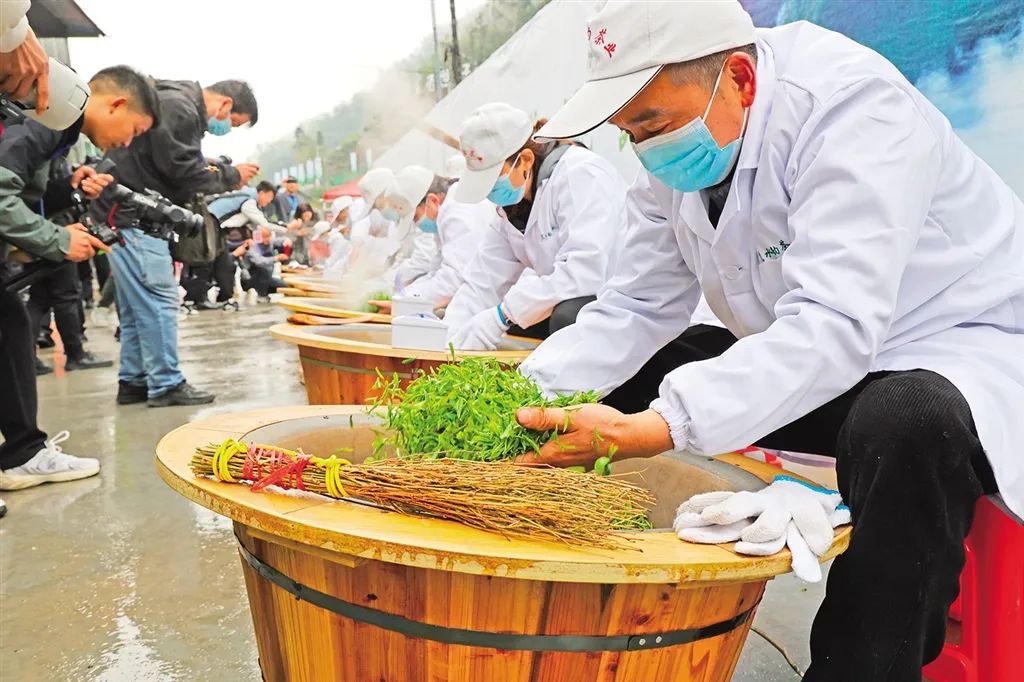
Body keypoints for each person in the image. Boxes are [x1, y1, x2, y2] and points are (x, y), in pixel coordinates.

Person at [512, 3, 1024, 680]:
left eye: (652, 126)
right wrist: (519, 398)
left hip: (951, 354)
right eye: (627, 132)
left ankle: (861, 667)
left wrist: (662, 425)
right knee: (598, 338)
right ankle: (579, 596)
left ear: (741, 79)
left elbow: (836, 324)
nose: (643, 149)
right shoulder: (674, 156)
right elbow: (635, 305)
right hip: (814, 359)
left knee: (907, 421)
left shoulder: (853, 111)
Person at [0, 64, 161, 497]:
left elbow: (21, 188)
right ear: (117, 103)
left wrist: (69, 188)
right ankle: (21, 454)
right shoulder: (53, 113)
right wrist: (57, 240)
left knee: (10, 323)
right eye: (133, 130)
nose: (127, 143)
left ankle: (22, 452)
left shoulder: (63, 131)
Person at [97, 78, 260, 407]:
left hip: (120, 212)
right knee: (159, 301)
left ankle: (134, 379)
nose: (225, 127)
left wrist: (219, 166)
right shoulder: (181, 108)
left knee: (134, 308)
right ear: (225, 105)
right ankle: (166, 383)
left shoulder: (174, 103)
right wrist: (231, 177)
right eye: (233, 122)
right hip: (136, 215)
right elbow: (183, 170)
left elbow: (179, 159)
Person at [443, 102, 627, 350]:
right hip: (577, 296)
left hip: (621, 303)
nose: (490, 193)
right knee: (518, 319)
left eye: (493, 180)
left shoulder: (581, 174)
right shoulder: (510, 211)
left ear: (525, 160)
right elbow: (483, 281)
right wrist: (447, 338)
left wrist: (503, 315)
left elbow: (585, 271)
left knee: (565, 315)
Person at [377, 167, 499, 311]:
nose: (417, 224)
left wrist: (404, 302)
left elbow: (452, 280)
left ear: (432, 200)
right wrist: (403, 298)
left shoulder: (460, 212)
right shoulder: (446, 212)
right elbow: (436, 271)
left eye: (415, 217)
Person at [184, 181, 293, 309]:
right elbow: (264, 223)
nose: (269, 202)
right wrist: (287, 228)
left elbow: (247, 223)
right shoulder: (248, 201)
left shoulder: (244, 197)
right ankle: (196, 299)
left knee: (224, 266)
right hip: (209, 228)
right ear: (263, 193)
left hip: (216, 231)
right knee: (207, 265)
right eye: (270, 198)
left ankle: (224, 298)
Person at [244, 226, 287, 301]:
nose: (266, 239)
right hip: (254, 278)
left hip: (268, 278)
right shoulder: (252, 247)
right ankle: (261, 295)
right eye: (263, 237)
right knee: (262, 271)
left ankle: (265, 292)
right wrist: (276, 258)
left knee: (286, 286)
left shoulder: (269, 242)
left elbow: (278, 240)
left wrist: (287, 240)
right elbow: (259, 262)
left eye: (268, 237)